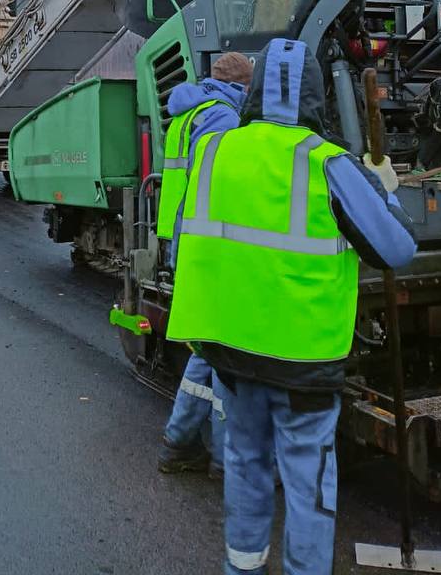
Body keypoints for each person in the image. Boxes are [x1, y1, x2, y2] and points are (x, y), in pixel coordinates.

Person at [168, 37, 416, 575]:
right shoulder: (327, 162)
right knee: (307, 483)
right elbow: (396, 248)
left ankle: (243, 567)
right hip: (303, 360)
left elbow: (180, 245)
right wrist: (385, 189)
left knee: (245, 465)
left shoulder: (215, 151)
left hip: (232, 350)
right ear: (314, 94)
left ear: (253, 92)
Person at [157, 51, 253, 478]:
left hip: (186, 241)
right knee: (227, 355)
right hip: (210, 247)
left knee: (207, 350)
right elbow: (223, 184)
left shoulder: (187, 112)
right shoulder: (222, 118)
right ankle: (225, 462)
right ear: (242, 87)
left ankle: (178, 443)